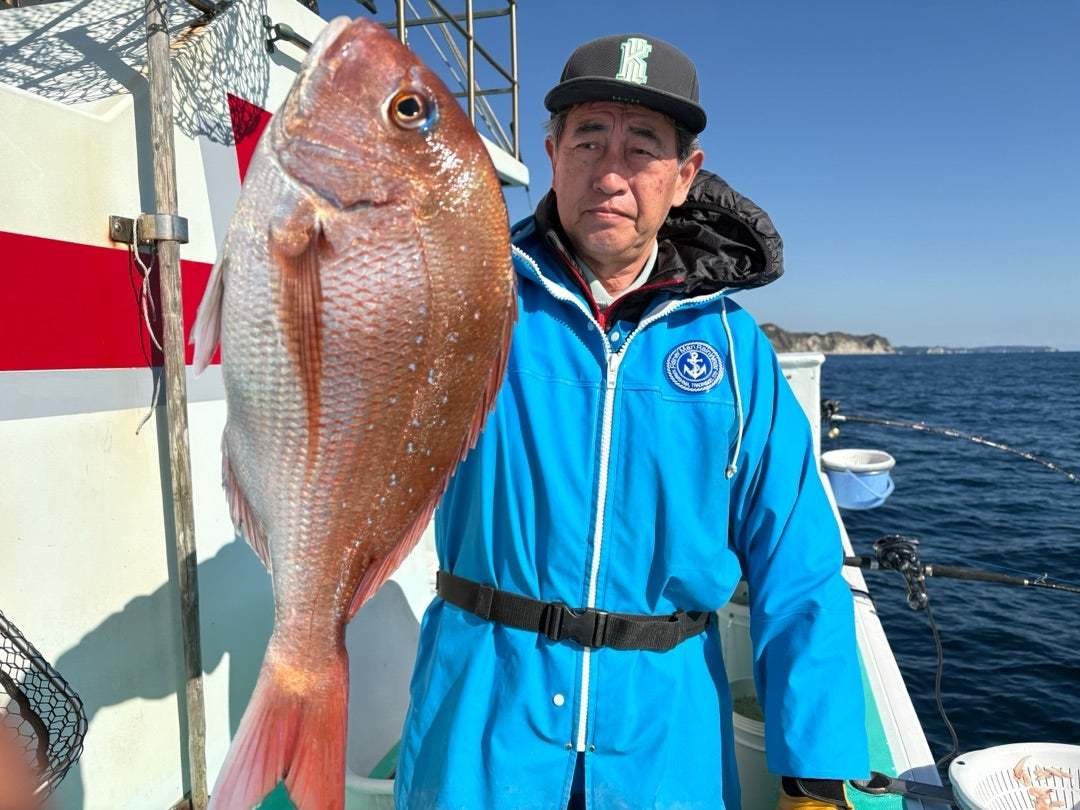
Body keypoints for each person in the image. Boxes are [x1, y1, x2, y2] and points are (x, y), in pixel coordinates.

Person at [395, 33, 870, 810]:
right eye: (589, 140)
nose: (611, 174)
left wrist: (815, 772)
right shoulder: (465, 301)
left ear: (684, 176)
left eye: (643, 148)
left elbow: (799, 559)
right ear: (551, 155)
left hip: (665, 745)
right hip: (480, 723)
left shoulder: (734, 350)